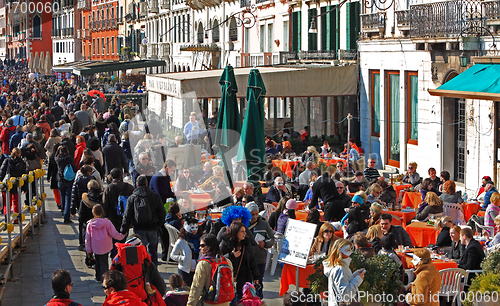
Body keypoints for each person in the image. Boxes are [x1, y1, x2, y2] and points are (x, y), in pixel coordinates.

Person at [120, 175, 166, 266]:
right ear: (147, 184)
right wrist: (158, 224)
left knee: (140, 251)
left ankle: (143, 271)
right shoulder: (155, 196)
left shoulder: (132, 198)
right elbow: (162, 212)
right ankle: (153, 271)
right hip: (153, 227)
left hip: (139, 228)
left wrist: (123, 230)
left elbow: (127, 215)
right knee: (153, 251)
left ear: (136, 185)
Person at [187, 234, 234, 306]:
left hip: (208, 302)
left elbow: (196, 287)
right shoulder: (227, 261)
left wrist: (190, 304)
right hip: (224, 301)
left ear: (210, 246)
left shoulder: (203, 263)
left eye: (202, 245)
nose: (200, 248)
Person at [219, 221, 260, 302]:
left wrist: (256, 276)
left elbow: (252, 260)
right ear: (235, 232)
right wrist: (231, 255)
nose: (245, 233)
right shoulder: (224, 244)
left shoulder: (246, 243)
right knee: (231, 301)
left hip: (244, 277)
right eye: (242, 232)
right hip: (229, 278)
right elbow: (219, 260)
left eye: (245, 231)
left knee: (242, 300)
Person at [86, 204, 126, 282]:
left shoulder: (90, 224)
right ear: (102, 212)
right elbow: (114, 234)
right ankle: (104, 279)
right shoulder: (107, 222)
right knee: (104, 262)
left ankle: (98, 277)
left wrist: (88, 250)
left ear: (93, 213)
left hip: (95, 247)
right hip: (105, 246)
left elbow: (87, 239)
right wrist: (122, 236)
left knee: (97, 262)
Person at [246, 202, 275, 298]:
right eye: (252, 214)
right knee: (246, 283)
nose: (254, 217)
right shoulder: (243, 224)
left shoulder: (264, 224)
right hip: (246, 259)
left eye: (256, 214)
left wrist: (265, 244)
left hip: (259, 259)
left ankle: (258, 300)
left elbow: (272, 239)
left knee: (258, 282)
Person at [323, 239, 364, 306]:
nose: (350, 253)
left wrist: (355, 275)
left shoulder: (340, 266)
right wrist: (358, 279)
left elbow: (345, 281)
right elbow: (345, 293)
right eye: (348, 250)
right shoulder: (339, 269)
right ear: (340, 252)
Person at [71, 165, 94, 250]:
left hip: (80, 205)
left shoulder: (77, 181)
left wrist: (72, 209)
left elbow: (74, 196)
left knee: (81, 224)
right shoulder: (92, 180)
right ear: (89, 172)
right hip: (91, 205)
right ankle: (90, 242)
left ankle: (81, 243)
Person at [0, 148, 26, 217]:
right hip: (17, 184)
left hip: (7, 184)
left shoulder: (7, 161)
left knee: (7, 202)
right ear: (19, 154)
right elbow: (24, 175)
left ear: (11, 153)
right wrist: (25, 187)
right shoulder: (22, 162)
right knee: (16, 202)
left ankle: (7, 216)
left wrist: (1, 182)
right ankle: (16, 218)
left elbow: (2, 172)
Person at [55, 145, 77, 224]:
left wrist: (57, 150)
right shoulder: (69, 158)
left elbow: (54, 157)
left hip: (60, 180)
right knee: (68, 198)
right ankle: (66, 216)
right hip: (68, 180)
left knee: (62, 197)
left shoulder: (57, 159)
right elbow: (74, 168)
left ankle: (63, 211)